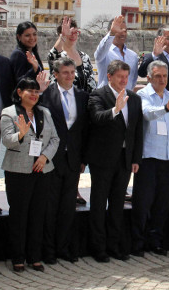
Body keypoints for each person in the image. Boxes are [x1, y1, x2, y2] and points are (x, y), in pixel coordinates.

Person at [86, 60, 143, 262]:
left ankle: (114, 246)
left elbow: (137, 131)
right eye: (120, 77)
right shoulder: (98, 95)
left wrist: (136, 158)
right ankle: (98, 248)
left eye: (126, 77)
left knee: (118, 205)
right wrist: (115, 110)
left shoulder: (134, 98)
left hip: (125, 160)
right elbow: (96, 118)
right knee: (99, 204)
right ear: (109, 77)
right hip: (102, 159)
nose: (123, 80)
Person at [0, 78, 59, 273]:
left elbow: (55, 139)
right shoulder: (8, 113)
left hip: (42, 170)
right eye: (29, 91)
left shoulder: (45, 112)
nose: (34, 95)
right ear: (19, 92)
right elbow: (8, 141)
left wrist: (44, 157)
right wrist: (20, 134)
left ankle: (35, 256)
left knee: (38, 214)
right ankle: (18, 257)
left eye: (36, 91)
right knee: (19, 215)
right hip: (18, 171)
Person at [41, 57, 90, 264]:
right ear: (56, 74)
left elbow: (85, 130)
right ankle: (48, 250)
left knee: (68, 207)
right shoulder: (46, 95)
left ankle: (64, 247)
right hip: (52, 158)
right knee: (50, 206)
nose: (70, 76)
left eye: (72, 72)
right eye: (65, 72)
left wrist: (84, 159)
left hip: (73, 159)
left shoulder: (82, 96)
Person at [131, 61, 169, 257]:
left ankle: (156, 240)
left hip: (168, 158)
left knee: (162, 203)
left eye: (165, 76)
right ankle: (137, 242)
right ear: (149, 78)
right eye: (158, 76)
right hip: (148, 157)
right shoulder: (142, 95)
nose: (162, 80)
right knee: (142, 203)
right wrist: (165, 110)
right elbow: (147, 115)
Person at [48, 17, 96, 206]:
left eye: (76, 30)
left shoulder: (83, 56)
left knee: (79, 150)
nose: (74, 34)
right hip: (62, 109)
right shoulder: (59, 54)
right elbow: (52, 57)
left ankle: (74, 188)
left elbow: (91, 81)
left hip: (82, 108)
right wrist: (63, 37)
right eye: (71, 30)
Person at [47, 17, 97, 93]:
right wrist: (63, 35)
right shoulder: (58, 56)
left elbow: (92, 83)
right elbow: (53, 54)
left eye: (75, 32)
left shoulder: (84, 57)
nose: (73, 35)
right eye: (70, 32)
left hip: (85, 102)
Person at [94, 15, 139, 90]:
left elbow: (132, 81)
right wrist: (112, 33)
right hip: (106, 99)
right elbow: (100, 51)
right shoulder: (105, 53)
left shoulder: (133, 56)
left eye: (125, 30)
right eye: (120, 29)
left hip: (125, 99)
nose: (123, 33)